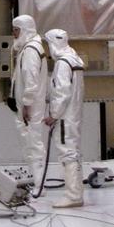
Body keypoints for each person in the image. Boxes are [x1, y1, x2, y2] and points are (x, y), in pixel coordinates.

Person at [43, 27, 85, 208]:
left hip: (65, 116)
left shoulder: (62, 64)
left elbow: (62, 93)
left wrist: (53, 114)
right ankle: (76, 193)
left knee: (68, 153)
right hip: (73, 114)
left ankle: (73, 196)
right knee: (73, 151)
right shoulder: (75, 61)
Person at [12, 14, 49, 193]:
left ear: (25, 30)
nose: (14, 34)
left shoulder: (31, 50)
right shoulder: (30, 48)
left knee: (33, 143)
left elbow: (30, 78)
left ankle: (39, 184)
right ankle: (36, 181)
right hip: (29, 105)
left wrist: (26, 104)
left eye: (16, 30)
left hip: (31, 106)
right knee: (30, 142)